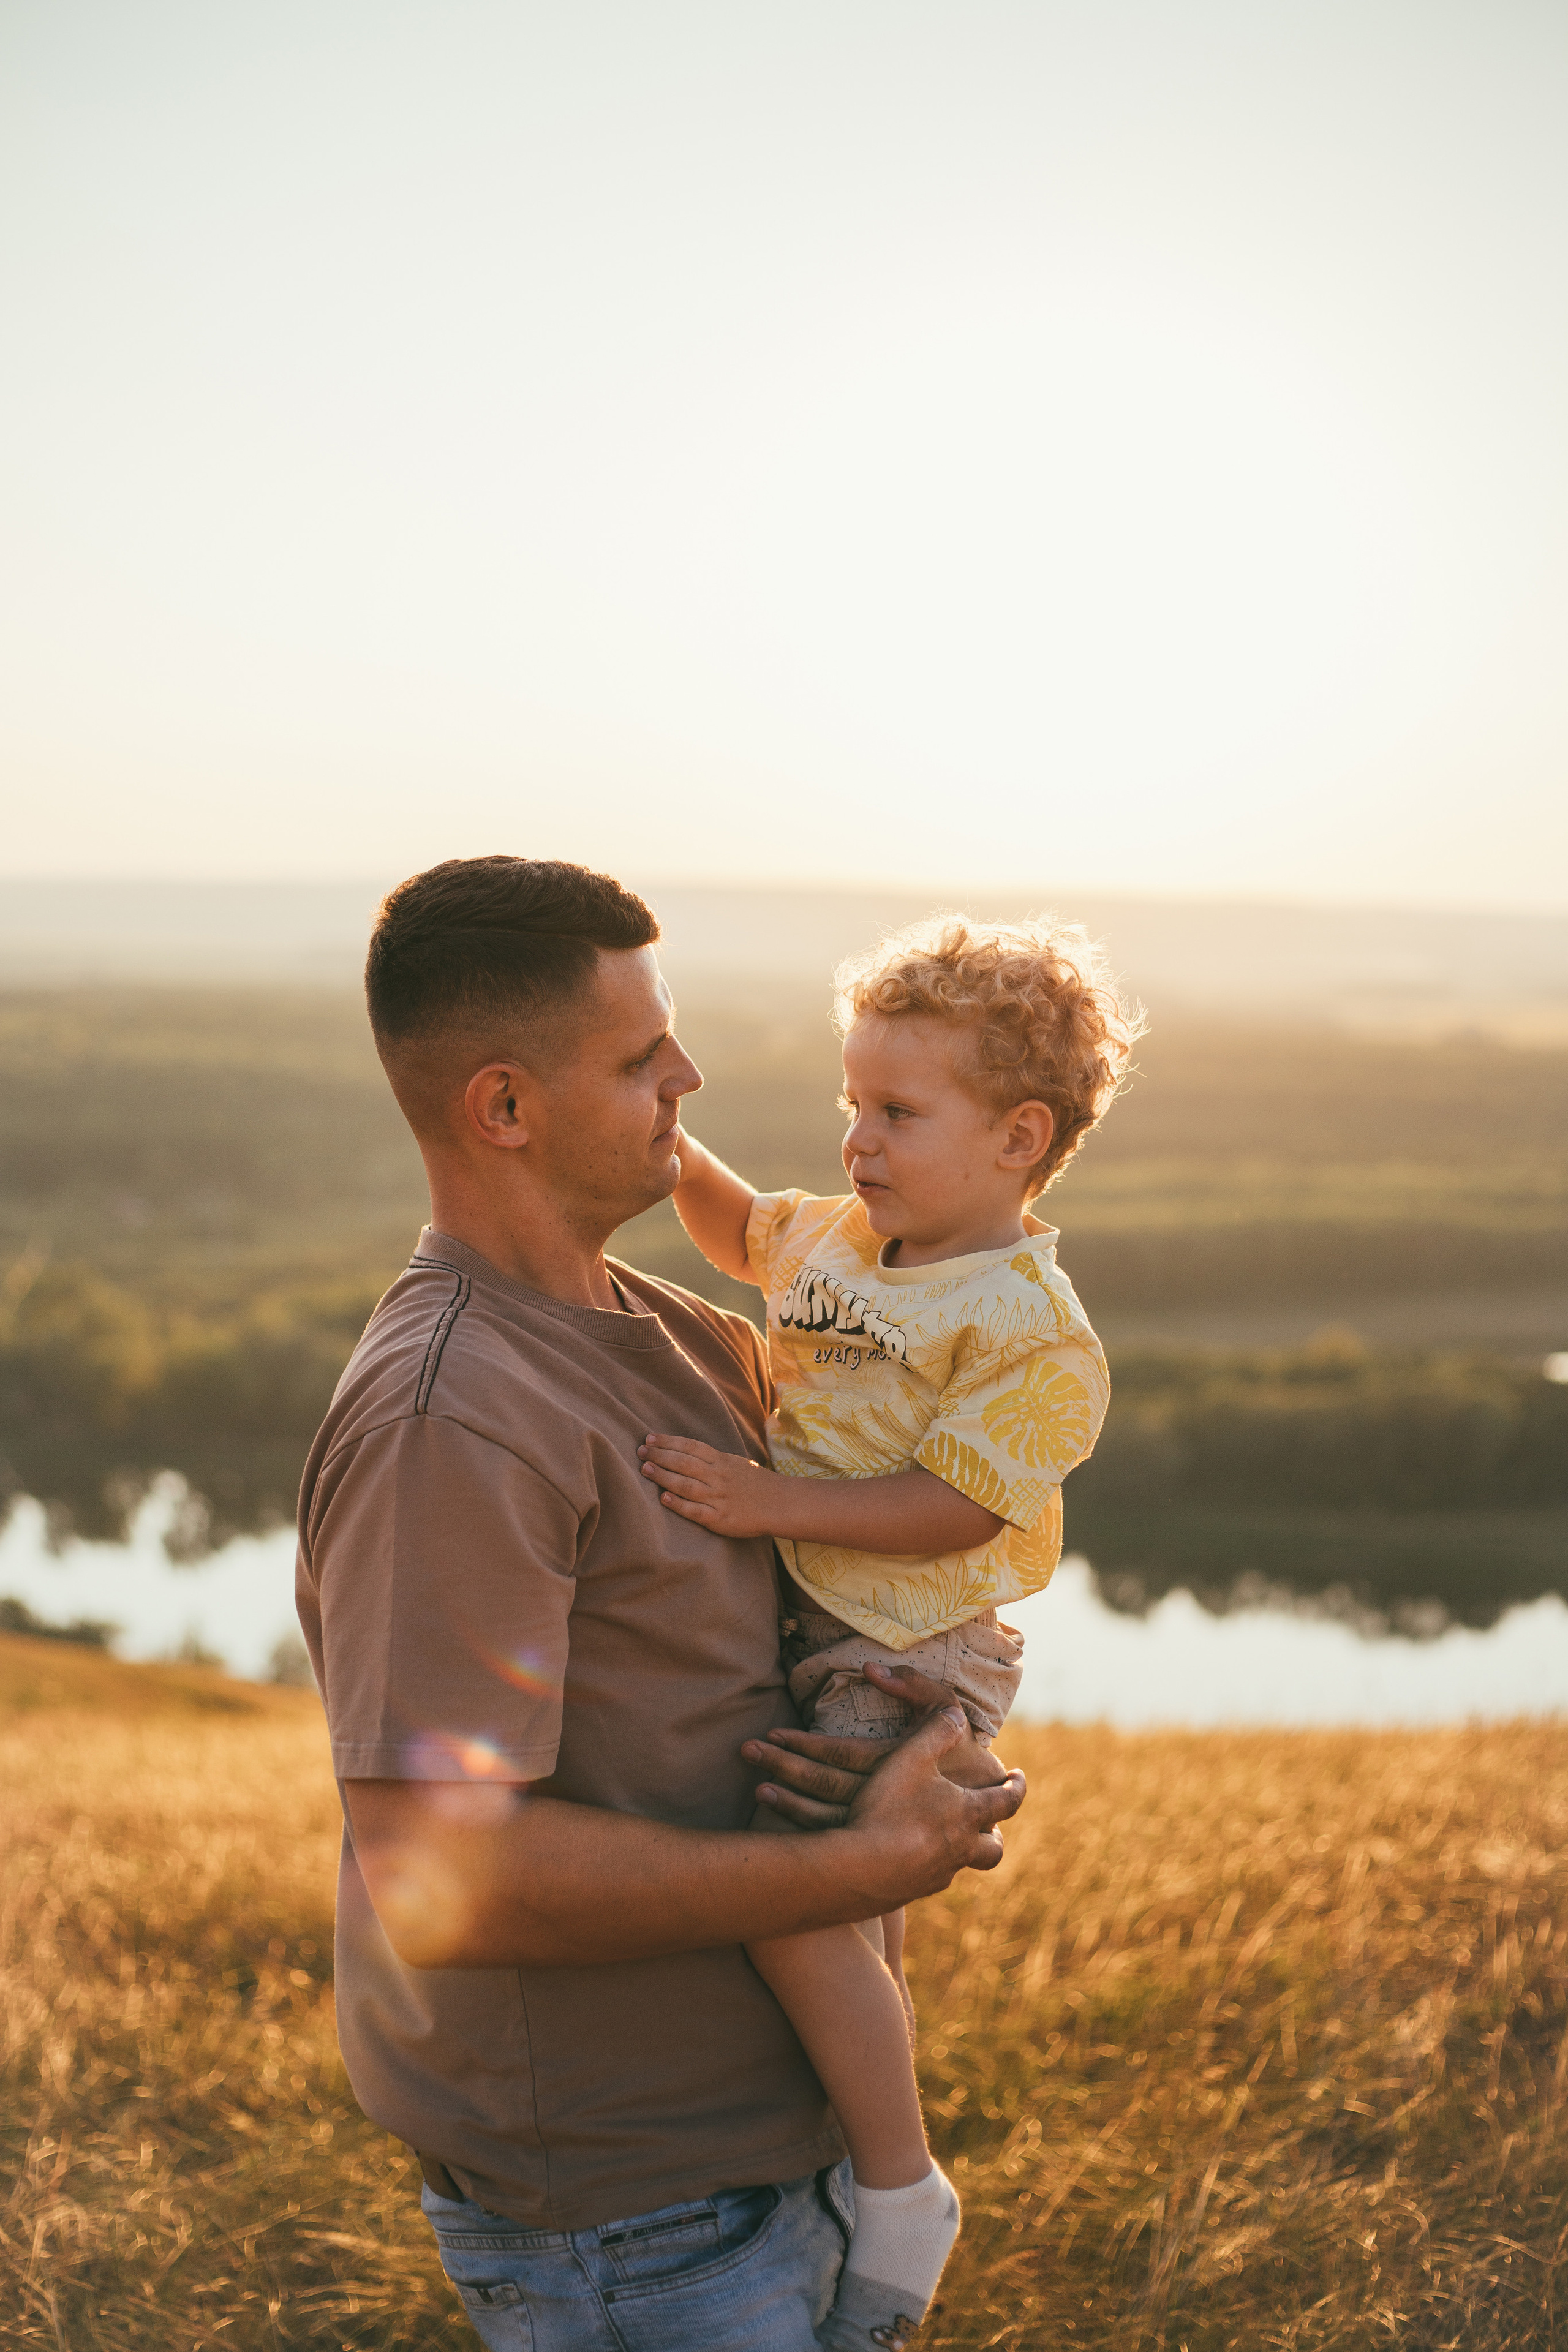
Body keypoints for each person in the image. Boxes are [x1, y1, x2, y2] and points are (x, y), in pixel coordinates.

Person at [293, 856, 1026, 2352]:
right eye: (640, 1059)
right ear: (504, 1106)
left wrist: (908, 1724)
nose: (687, 1078)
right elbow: (446, 1876)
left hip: (777, 2160)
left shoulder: (688, 1335)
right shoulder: (454, 1420)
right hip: (634, 2230)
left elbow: (803, 1619)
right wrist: (853, 1868)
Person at [640, 915, 1139, 2348]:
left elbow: (953, 1508)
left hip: (906, 1651)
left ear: (1018, 1138)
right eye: (849, 1102)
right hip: (819, 1622)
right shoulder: (842, 1241)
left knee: (794, 1902)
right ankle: (852, 2156)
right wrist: (660, 1134)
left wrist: (765, 1503)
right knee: (856, 1929)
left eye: (898, 1112)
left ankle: (900, 2185)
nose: (856, 1138)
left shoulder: (1029, 1327)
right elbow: (737, 1228)